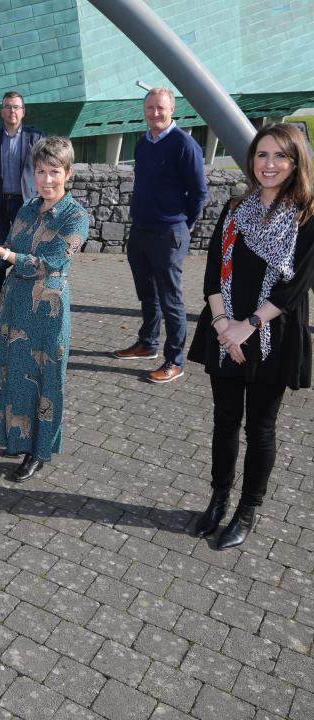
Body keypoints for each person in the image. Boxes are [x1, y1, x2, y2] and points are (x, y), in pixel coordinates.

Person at [187, 123, 314, 549]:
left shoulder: (306, 216)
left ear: (296, 162)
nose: (270, 164)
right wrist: (224, 327)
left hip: (271, 336)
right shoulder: (235, 209)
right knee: (224, 422)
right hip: (226, 332)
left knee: (260, 428)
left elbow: (293, 289)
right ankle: (219, 497)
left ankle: (248, 509)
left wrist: (249, 326)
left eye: (280, 156)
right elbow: (211, 273)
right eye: (262, 155)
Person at [0, 137, 89, 481]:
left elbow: (48, 263)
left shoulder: (77, 217)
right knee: (15, 374)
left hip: (47, 312)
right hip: (16, 305)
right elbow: (8, 254)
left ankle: (38, 450)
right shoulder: (28, 208)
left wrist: (1, 254)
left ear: (68, 173)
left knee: (46, 381)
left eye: (54, 172)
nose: (47, 180)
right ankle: (16, 438)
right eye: (40, 172)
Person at [113, 88, 208, 383]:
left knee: (171, 300)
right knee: (147, 295)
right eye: (150, 108)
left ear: (172, 110)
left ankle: (174, 361)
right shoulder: (143, 144)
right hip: (141, 230)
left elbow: (199, 193)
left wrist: (182, 224)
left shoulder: (184, 145)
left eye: (161, 108)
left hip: (169, 233)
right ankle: (147, 344)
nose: (155, 113)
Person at [0, 91, 44, 309]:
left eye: (16, 107)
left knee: (25, 248)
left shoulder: (36, 138)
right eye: (8, 106)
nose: (12, 111)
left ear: (23, 112)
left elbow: (42, 171)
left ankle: (23, 294)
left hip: (25, 203)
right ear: (2, 111)